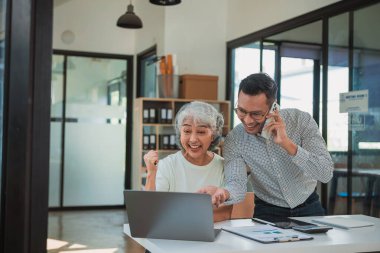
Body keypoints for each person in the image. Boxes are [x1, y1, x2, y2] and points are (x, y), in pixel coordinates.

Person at [199, 73, 334, 220]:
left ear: (273, 108)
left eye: (256, 114)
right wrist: (224, 193)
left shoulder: (301, 121)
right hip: (268, 211)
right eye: (242, 111)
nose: (248, 120)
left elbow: (325, 173)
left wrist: (287, 144)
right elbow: (236, 183)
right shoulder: (235, 139)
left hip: (309, 206)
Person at [143, 100, 254, 221]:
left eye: (201, 132)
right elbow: (151, 213)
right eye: (187, 131)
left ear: (213, 135)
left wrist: (177, 212)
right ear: (180, 133)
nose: (193, 139)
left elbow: (225, 213)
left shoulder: (225, 167)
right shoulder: (167, 165)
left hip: (215, 234)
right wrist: (151, 174)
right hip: (173, 235)